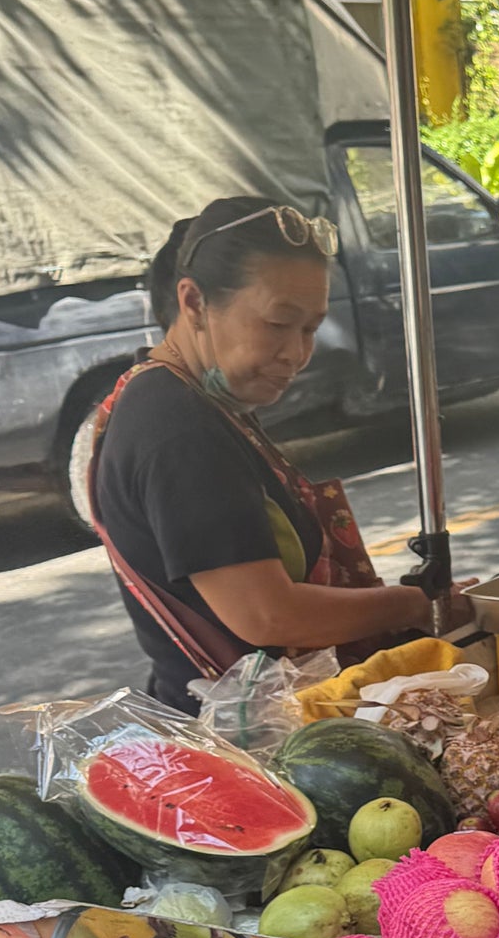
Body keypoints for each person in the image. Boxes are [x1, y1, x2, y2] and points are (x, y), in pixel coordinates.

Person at [86, 195, 462, 713]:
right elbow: (267, 615)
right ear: (194, 302)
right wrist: (417, 604)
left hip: (268, 711)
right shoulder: (175, 426)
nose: (297, 354)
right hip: (245, 734)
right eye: (278, 323)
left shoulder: (196, 399)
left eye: (310, 328)